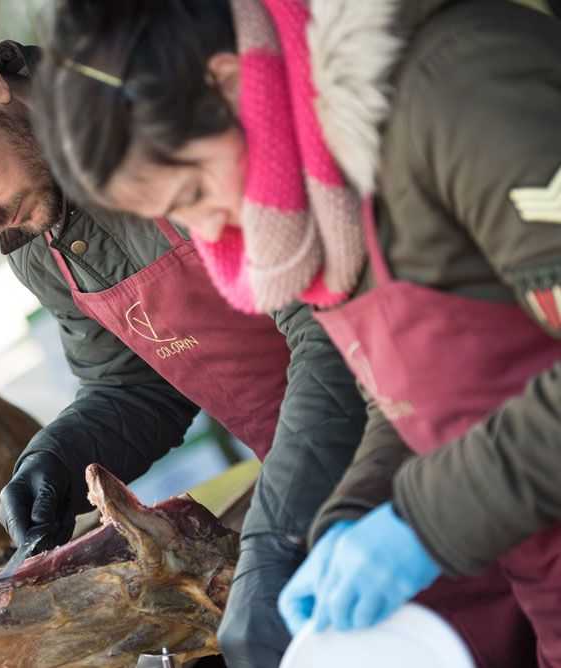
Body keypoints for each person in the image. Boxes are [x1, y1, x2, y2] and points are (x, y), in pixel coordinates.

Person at [0, 20, 365, 665]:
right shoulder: (30, 231)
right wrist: (59, 461)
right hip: (324, 492)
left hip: (405, 416)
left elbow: (328, 330)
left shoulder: (157, 104)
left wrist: (275, 536)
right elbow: (134, 381)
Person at [34, 0, 560, 665]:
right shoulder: (324, 192)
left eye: (193, 190)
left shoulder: (461, 86)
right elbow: (411, 391)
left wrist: (421, 525)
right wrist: (341, 517)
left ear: (228, 85)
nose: (212, 230)